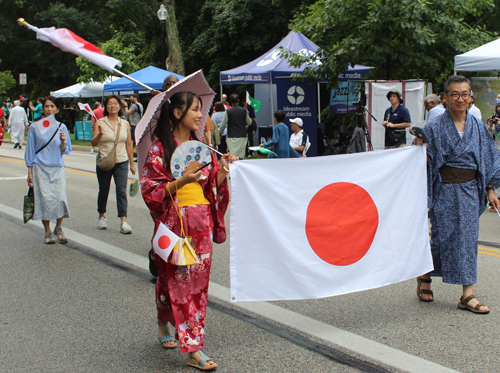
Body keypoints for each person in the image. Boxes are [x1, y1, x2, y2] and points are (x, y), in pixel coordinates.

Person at [140, 91, 236, 370]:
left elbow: (210, 187)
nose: (199, 115)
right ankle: (194, 349)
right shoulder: (160, 149)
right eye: (194, 110)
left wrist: (223, 171)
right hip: (177, 223)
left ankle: (164, 319)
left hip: (201, 222)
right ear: (178, 113)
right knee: (182, 285)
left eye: (200, 109)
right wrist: (181, 181)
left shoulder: (201, 147)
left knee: (196, 287)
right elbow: (151, 191)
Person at [414, 75, 500, 314]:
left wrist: (491, 189)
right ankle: (425, 275)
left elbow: (489, 159)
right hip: (444, 190)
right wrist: (420, 144)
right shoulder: (434, 127)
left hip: (471, 190)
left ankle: (467, 294)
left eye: (464, 94)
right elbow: (423, 160)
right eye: (455, 94)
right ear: (446, 97)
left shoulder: (478, 127)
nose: (460, 99)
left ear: (470, 96)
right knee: (442, 239)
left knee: (468, 240)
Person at [25, 96, 72, 244]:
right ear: (42, 109)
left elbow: (65, 150)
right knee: (44, 200)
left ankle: (59, 227)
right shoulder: (34, 127)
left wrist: (63, 141)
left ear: (57, 109)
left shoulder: (61, 127)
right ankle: (47, 231)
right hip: (40, 167)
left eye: (52, 106)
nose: (49, 109)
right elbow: (30, 150)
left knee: (60, 198)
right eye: (46, 106)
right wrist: (29, 172)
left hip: (57, 167)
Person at [91, 95, 136, 234]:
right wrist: (99, 134)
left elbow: (128, 143)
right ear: (106, 107)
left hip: (121, 161)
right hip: (105, 160)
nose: (112, 106)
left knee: (121, 191)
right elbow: (93, 143)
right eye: (109, 104)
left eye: (115, 103)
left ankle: (123, 221)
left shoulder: (125, 123)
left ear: (119, 106)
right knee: (104, 190)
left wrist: (131, 163)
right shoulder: (100, 122)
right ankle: (102, 216)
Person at [219, 93, 252, 159]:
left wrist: (220, 133)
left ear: (230, 101)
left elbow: (223, 125)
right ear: (238, 100)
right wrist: (247, 114)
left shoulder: (228, 111)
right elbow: (249, 122)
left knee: (232, 156)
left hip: (231, 136)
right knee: (241, 155)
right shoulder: (244, 111)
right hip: (242, 135)